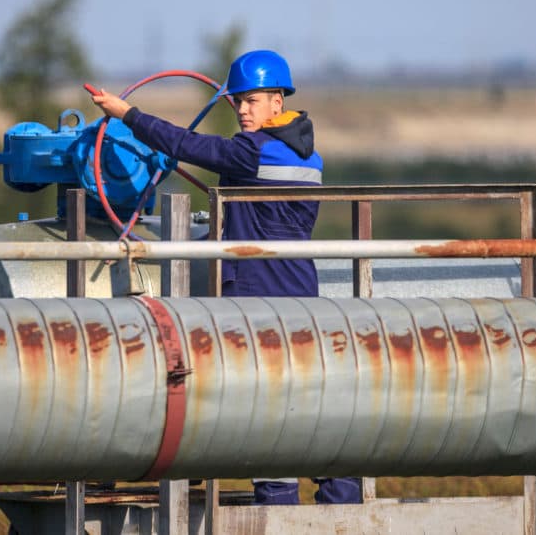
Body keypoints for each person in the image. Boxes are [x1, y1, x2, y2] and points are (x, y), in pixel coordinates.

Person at [91, 49, 361, 506]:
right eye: (237, 102)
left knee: (269, 412)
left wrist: (127, 114)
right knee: (314, 409)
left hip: (259, 300)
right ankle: (342, 505)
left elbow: (186, 145)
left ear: (278, 101)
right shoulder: (307, 154)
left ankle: (276, 510)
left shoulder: (251, 152)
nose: (242, 110)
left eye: (251, 101)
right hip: (302, 294)